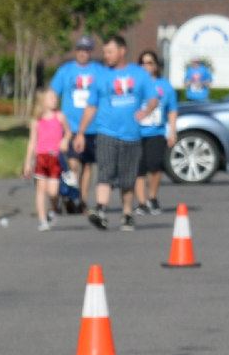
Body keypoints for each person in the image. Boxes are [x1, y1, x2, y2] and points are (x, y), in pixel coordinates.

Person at [72, 34, 155, 231]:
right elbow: (91, 106)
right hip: (106, 132)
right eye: (105, 52)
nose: (106, 55)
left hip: (131, 135)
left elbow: (153, 98)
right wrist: (81, 132)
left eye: (110, 51)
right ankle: (100, 210)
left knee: (127, 179)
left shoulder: (139, 74)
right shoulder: (101, 76)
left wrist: (146, 111)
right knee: (105, 172)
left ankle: (127, 213)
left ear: (122, 51)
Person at [50, 35, 105, 206]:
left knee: (87, 165)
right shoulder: (66, 71)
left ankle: (82, 199)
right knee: (72, 164)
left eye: (86, 50)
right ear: (76, 51)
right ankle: (70, 195)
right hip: (71, 126)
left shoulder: (98, 71)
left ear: (90, 52)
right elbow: (53, 93)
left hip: (92, 127)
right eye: (80, 50)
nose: (83, 53)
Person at [134, 49, 177, 215]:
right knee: (139, 168)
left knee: (155, 165)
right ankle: (142, 202)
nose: (146, 66)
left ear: (156, 66)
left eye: (149, 63)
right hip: (137, 133)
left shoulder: (164, 86)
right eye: (142, 63)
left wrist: (172, 131)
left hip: (156, 132)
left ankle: (152, 197)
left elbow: (172, 110)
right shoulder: (135, 85)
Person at [22, 87, 68, 230]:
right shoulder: (36, 121)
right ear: (42, 101)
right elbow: (32, 142)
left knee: (53, 191)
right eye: (51, 98)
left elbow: (69, 132)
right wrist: (28, 162)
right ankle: (42, 220)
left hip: (54, 158)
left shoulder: (60, 116)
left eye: (55, 98)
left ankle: (54, 208)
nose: (54, 100)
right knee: (41, 190)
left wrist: (65, 140)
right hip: (41, 157)